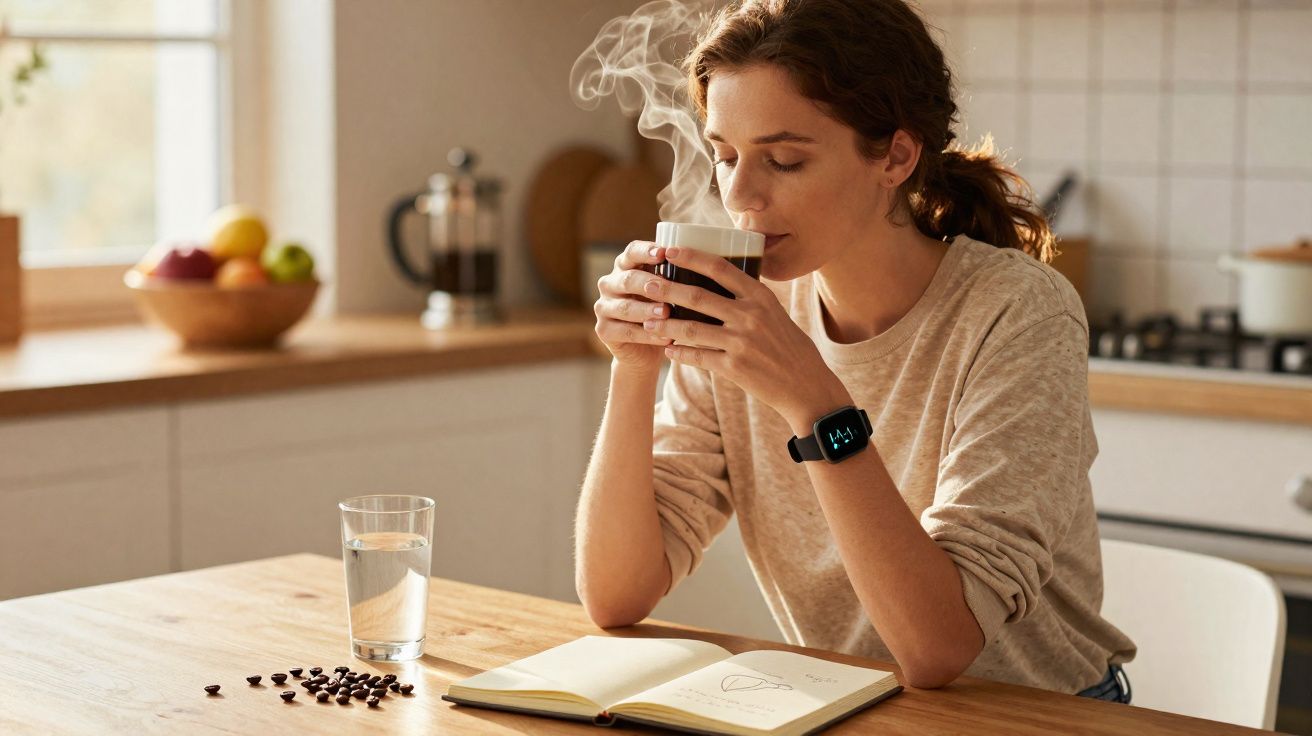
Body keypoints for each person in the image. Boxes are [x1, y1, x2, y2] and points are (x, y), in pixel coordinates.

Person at [574, 0, 1136, 700]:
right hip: (849, 704)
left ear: (896, 156)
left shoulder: (1016, 312)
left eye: (784, 160)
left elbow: (939, 649)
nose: (741, 195)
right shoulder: (746, 311)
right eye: (724, 155)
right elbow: (616, 594)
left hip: (1041, 715)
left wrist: (814, 403)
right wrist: (636, 365)